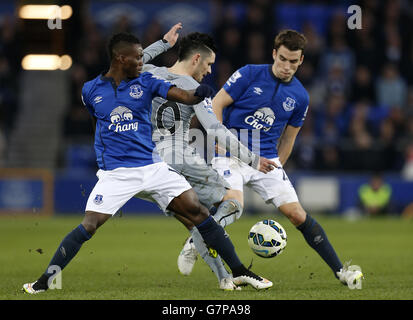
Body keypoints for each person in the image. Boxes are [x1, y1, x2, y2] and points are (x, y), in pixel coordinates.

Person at [22, 27, 272, 294]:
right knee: (89, 226)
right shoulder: (90, 90)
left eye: (143, 58)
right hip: (116, 173)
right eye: (137, 58)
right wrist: (163, 43)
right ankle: (44, 282)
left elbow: (182, 94)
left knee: (198, 215)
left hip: (154, 167)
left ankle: (240, 272)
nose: (143, 62)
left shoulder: (148, 81)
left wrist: (199, 93)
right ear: (121, 59)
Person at [180, 29, 364, 289]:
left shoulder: (300, 97)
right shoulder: (249, 73)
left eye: (293, 62)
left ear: (301, 61)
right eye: (283, 59)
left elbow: (288, 140)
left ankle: (341, 272)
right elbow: (216, 105)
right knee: (234, 204)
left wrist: (278, 166)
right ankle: (196, 240)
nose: (287, 67)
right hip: (232, 152)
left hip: (266, 159)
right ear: (274, 53)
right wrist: (221, 143)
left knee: (298, 215)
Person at [142, 32, 276, 290]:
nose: (209, 69)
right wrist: (252, 159)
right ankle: (198, 246)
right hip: (179, 156)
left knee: (194, 218)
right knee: (232, 203)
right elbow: (215, 129)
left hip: (148, 161)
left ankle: (225, 278)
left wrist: (162, 43)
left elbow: (134, 59)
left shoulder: (148, 73)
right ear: (195, 59)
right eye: (209, 64)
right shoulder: (192, 89)